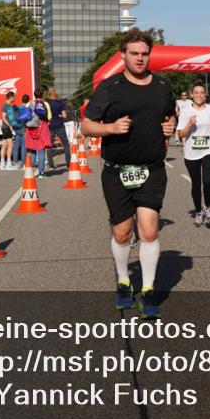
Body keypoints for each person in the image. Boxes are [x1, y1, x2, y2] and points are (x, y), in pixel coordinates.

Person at [81, 28, 176, 319]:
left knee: (148, 229)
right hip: (116, 171)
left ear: (150, 55)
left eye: (144, 54)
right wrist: (110, 128)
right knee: (122, 234)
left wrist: (170, 125)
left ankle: (148, 290)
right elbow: (86, 126)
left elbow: (170, 113)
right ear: (123, 55)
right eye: (134, 53)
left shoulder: (162, 85)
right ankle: (123, 281)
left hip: (152, 170)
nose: (139, 58)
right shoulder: (110, 87)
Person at [177, 81, 210, 226]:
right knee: (196, 183)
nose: (199, 95)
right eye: (196, 93)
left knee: (207, 180)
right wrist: (189, 124)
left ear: (205, 95)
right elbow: (180, 134)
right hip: (191, 152)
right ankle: (198, 211)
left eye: (202, 93)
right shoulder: (185, 111)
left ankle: (207, 208)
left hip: (209, 149)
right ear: (191, 95)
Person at [25, 88, 51, 178]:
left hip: (31, 128)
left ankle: (30, 172)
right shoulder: (46, 104)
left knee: (32, 149)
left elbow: (25, 115)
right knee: (41, 150)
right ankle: (41, 172)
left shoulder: (29, 103)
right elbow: (49, 117)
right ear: (42, 95)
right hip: (42, 127)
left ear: (34, 94)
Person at [45, 86, 71, 171]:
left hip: (50, 126)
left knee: (49, 145)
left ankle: (51, 164)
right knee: (66, 144)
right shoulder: (60, 102)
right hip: (60, 125)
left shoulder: (46, 102)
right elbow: (64, 115)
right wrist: (61, 116)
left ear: (48, 93)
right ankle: (68, 162)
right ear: (55, 92)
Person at [0, 92, 17, 170]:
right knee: (10, 145)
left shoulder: (8, 106)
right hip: (6, 128)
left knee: (4, 145)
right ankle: (8, 164)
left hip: (5, 128)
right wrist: (10, 126)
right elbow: (3, 117)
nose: (15, 99)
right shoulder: (6, 106)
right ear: (11, 97)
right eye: (14, 97)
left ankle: (3, 164)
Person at [13, 94, 29, 165]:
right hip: (23, 128)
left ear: (22, 100)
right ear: (28, 100)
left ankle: (15, 161)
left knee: (16, 146)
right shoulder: (26, 108)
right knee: (23, 146)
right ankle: (23, 161)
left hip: (16, 128)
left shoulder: (17, 107)